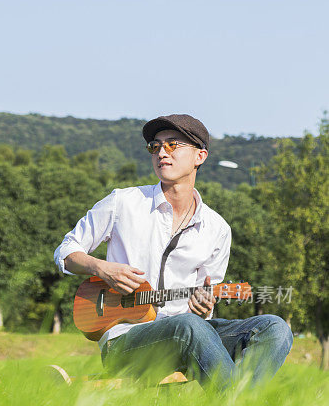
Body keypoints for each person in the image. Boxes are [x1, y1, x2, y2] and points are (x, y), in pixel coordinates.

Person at [54, 114, 293, 390]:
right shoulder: (123, 203)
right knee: (189, 326)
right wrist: (101, 268)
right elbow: (66, 251)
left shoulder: (217, 229)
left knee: (275, 328)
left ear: (199, 156)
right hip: (127, 340)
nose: (161, 153)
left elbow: (205, 303)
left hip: (191, 334)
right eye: (155, 146)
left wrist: (204, 307)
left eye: (172, 145)